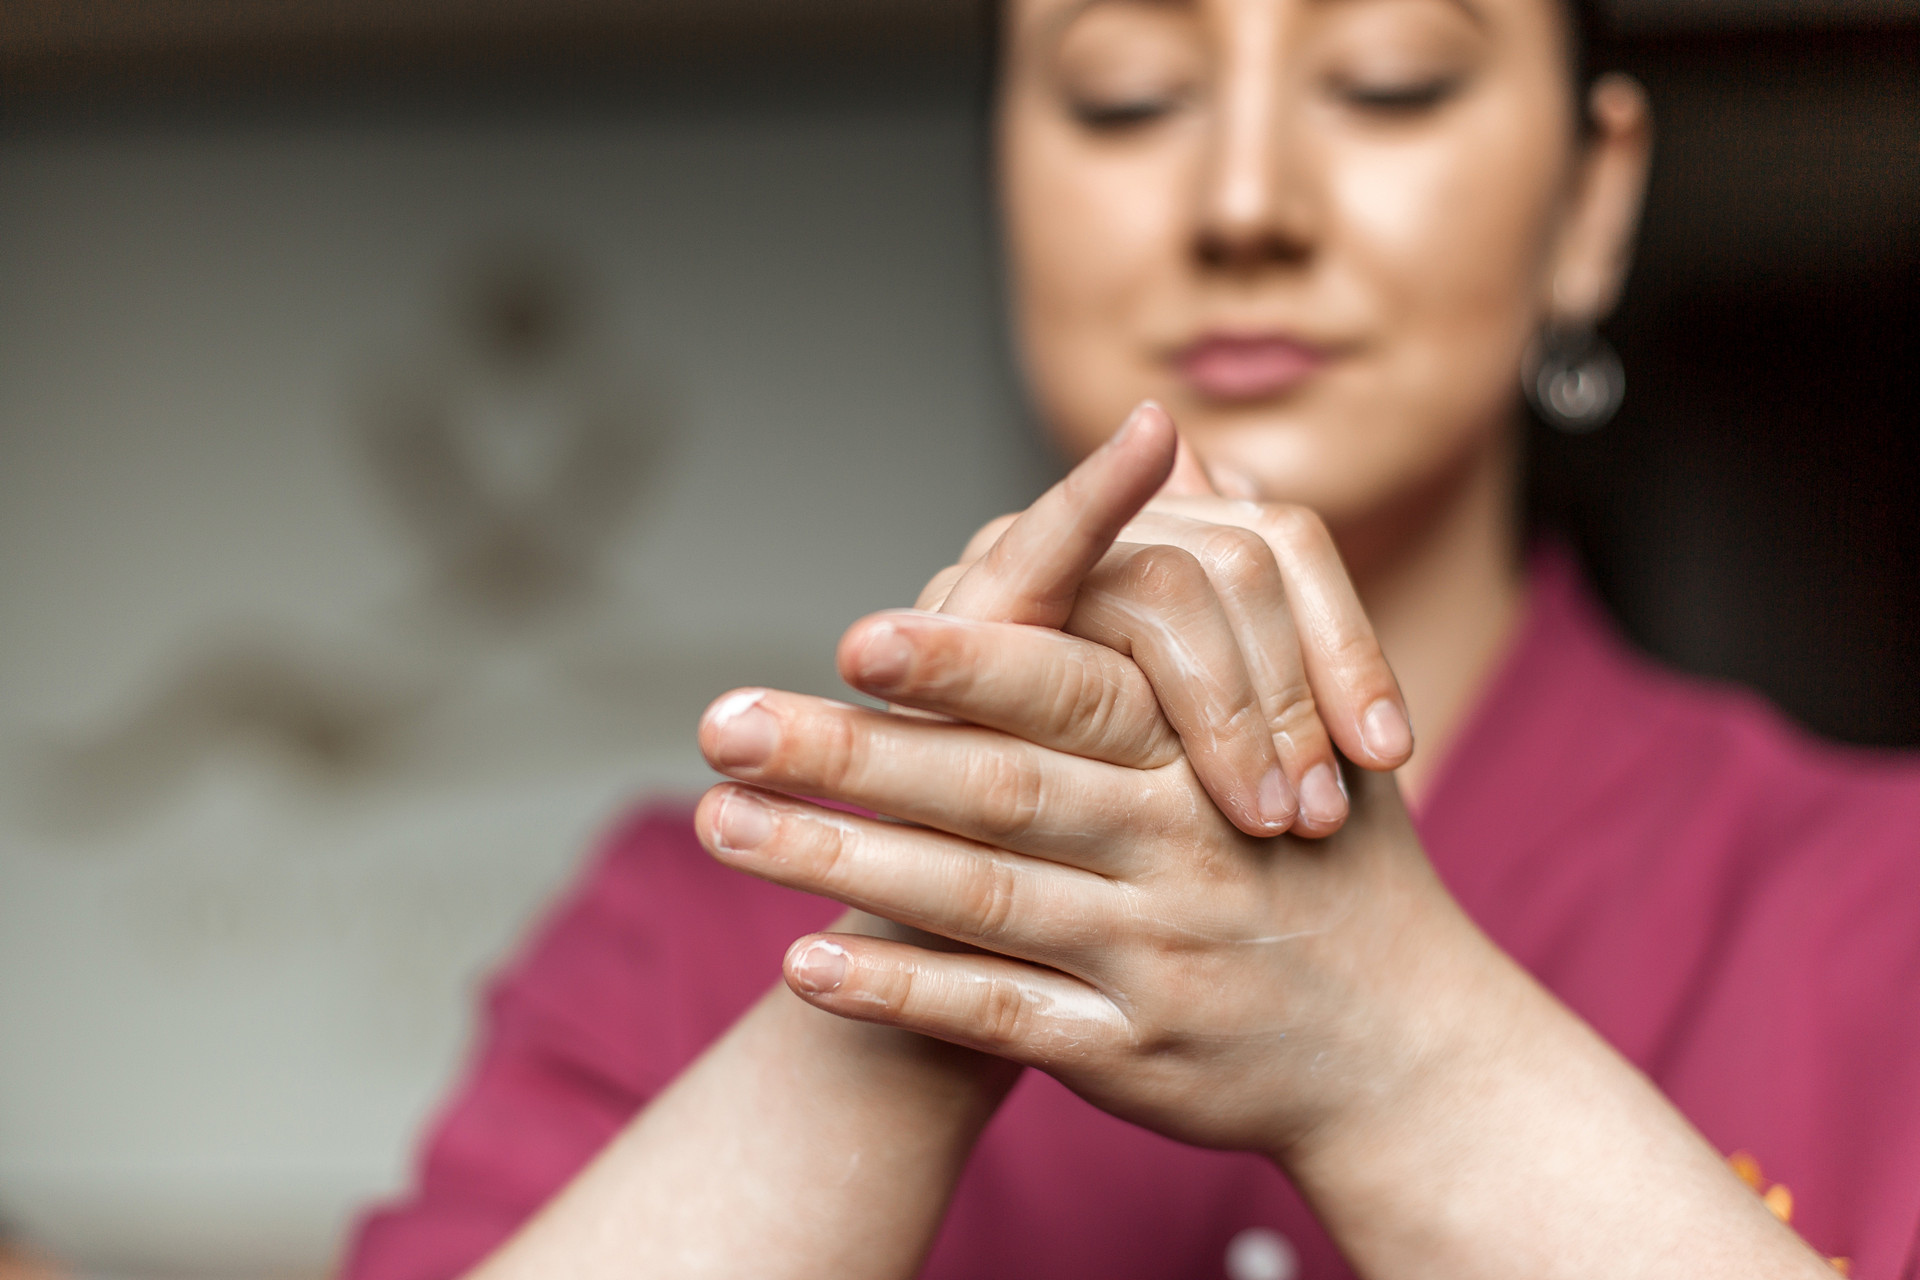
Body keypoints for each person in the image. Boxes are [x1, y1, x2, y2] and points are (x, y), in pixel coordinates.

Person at [344, 0, 1920, 1276]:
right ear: (1004, 172)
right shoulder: (689, 924)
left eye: (1387, 83)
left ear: (1589, 201)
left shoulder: (1874, 914)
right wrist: (942, 937)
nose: (1245, 205)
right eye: (1125, 96)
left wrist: (1413, 1057)